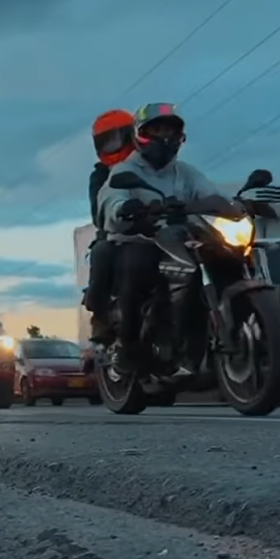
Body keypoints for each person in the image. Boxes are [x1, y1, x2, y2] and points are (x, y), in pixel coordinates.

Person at [96, 103, 241, 375]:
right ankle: (129, 348)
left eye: (170, 130)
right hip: (139, 239)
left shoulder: (186, 172)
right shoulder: (125, 171)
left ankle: (218, 333)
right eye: (158, 129)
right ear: (141, 133)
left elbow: (209, 194)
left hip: (180, 237)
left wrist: (236, 206)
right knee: (137, 268)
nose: (165, 136)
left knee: (226, 256)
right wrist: (126, 209)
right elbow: (112, 200)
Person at [84, 109, 136, 344]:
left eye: (116, 138)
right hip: (118, 233)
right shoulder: (100, 175)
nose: (111, 146)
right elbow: (98, 213)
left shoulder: (151, 166)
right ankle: (100, 314)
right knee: (101, 251)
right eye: (105, 141)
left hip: (161, 231)